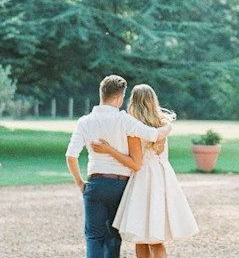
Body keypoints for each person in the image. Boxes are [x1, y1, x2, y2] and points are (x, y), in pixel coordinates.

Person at [66, 75, 172, 258]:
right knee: (113, 237)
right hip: (120, 186)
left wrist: (79, 183)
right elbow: (154, 135)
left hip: (95, 184)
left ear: (102, 94)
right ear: (118, 98)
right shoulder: (125, 121)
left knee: (94, 237)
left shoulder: (84, 121)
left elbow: (70, 156)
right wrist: (168, 127)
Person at [90, 84, 198, 258]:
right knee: (157, 239)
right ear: (153, 101)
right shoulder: (163, 124)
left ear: (133, 102)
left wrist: (109, 150)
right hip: (163, 178)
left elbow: (136, 163)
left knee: (141, 238)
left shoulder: (134, 129)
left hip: (143, 180)